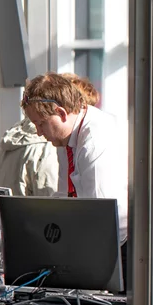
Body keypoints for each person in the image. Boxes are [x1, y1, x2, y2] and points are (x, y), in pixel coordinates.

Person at [21, 72, 128, 266]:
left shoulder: (94, 141)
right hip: (98, 239)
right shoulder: (65, 138)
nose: (39, 132)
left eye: (41, 123)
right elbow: (65, 196)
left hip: (121, 245)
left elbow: (104, 216)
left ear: (61, 113)